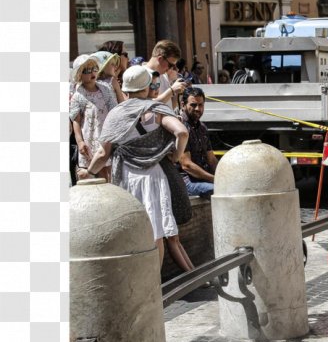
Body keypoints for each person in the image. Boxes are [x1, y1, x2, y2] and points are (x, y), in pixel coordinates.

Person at [84, 65, 195, 273]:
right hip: (155, 176)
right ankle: (154, 283)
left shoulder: (116, 114)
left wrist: (88, 173)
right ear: (147, 86)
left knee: (134, 232)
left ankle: (138, 282)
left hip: (127, 176)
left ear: (126, 88)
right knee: (157, 232)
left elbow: (102, 153)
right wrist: (174, 156)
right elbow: (182, 133)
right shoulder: (156, 108)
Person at [70, 54, 118, 182]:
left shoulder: (105, 88)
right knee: (100, 171)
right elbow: (76, 120)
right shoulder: (78, 95)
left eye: (95, 69)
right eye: (87, 71)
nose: (93, 73)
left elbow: (114, 109)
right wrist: (80, 141)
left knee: (112, 169)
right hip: (91, 137)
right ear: (79, 74)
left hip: (107, 133)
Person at [177, 87, 218, 197]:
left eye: (201, 105)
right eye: (193, 105)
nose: (197, 109)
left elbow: (212, 159)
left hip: (203, 179)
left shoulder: (202, 127)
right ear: (183, 104)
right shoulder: (179, 127)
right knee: (220, 190)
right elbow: (186, 165)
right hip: (186, 182)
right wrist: (215, 179)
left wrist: (224, 176)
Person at [144, 39, 189, 109]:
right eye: (171, 65)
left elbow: (170, 106)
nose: (172, 68)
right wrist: (172, 90)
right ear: (160, 59)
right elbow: (148, 105)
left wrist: (176, 92)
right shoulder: (142, 74)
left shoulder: (163, 75)